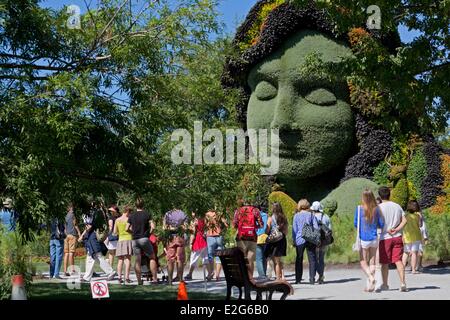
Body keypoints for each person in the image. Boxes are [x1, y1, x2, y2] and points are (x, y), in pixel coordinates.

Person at [377, 186, 408, 292]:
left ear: (380, 196)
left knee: (384, 263)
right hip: (397, 236)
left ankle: (385, 284)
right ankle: (403, 283)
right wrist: (396, 229)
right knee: (398, 260)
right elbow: (404, 221)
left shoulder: (379, 208)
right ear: (389, 194)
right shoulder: (397, 206)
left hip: (384, 237)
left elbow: (377, 224)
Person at [354, 190, 384, 292]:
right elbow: (381, 224)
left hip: (364, 239)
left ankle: (371, 279)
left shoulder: (359, 209)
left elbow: (355, 223)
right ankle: (370, 286)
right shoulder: (376, 209)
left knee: (363, 261)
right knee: (372, 262)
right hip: (374, 238)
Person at [79, 209, 116, 282]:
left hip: (92, 238)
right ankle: (87, 277)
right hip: (91, 238)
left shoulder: (91, 214)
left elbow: (89, 227)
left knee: (97, 256)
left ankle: (110, 272)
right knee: (91, 257)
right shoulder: (95, 214)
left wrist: (82, 236)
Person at [127, 198, 157, 285]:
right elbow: (153, 226)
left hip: (135, 240)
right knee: (152, 257)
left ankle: (139, 281)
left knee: (137, 260)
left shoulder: (131, 215)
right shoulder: (147, 214)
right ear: (143, 204)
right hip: (144, 239)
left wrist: (133, 232)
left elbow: (126, 228)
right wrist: (149, 233)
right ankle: (155, 279)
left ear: (135, 205)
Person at [233, 202, 263, 280]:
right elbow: (261, 225)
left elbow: (234, 225)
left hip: (241, 238)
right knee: (250, 259)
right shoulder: (255, 210)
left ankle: (243, 277)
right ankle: (250, 278)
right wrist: (253, 226)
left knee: (242, 258)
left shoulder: (238, 211)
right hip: (252, 238)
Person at [292, 199, 318, 285]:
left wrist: (294, 239)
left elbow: (294, 229)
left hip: (299, 238)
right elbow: (316, 227)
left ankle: (298, 279)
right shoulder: (311, 215)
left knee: (299, 259)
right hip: (310, 237)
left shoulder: (296, 216)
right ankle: (312, 279)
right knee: (312, 259)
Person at [184, 212, 212, 281]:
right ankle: (210, 273)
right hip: (203, 240)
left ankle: (190, 274)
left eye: (193, 212)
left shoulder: (194, 221)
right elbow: (207, 227)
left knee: (193, 258)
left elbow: (193, 233)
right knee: (205, 258)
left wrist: (191, 243)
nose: (192, 213)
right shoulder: (203, 219)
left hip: (197, 241)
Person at [163, 209, 188, 285]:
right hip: (180, 237)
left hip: (171, 237)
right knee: (180, 259)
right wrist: (179, 227)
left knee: (170, 259)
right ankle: (180, 280)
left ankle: (170, 281)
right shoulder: (183, 214)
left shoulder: (167, 214)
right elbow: (185, 227)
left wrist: (172, 228)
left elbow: (164, 227)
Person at [264, 202, 288, 280]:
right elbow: (286, 231)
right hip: (282, 240)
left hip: (274, 241)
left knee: (276, 262)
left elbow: (267, 231)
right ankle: (282, 276)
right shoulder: (284, 218)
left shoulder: (270, 219)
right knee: (279, 260)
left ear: (273, 209)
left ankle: (278, 278)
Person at [311, 201, 332, 284]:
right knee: (321, 259)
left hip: (314, 241)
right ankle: (321, 276)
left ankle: (319, 274)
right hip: (324, 241)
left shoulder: (312, 216)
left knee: (314, 259)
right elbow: (330, 229)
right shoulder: (326, 216)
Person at [205, 209, 228, 281]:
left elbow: (205, 225)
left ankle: (212, 273)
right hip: (219, 236)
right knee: (219, 256)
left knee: (210, 255)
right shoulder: (219, 213)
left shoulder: (207, 214)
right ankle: (217, 275)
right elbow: (226, 224)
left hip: (210, 236)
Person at [402, 200, 423, 274]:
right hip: (416, 236)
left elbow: (403, 225)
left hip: (407, 236)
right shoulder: (418, 215)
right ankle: (413, 270)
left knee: (406, 252)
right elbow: (420, 225)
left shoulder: (405, 215)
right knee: (414, 253)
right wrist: (420, 218)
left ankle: (402, 269)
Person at [113, 206, 133, 284]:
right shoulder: (129, 219)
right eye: (130, 212)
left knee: (120, 260)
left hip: (120, 240)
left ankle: (119, 277)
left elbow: (114, 232)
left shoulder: (117, 220)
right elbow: (131, 229)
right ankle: (127, 278)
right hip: (128, 239)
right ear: (127, 212)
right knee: (128, 259)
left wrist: (120, 232)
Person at [63, 204, 81, 276]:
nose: (73, 208)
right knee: (71, 253)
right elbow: (75, 225)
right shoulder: (72, 215)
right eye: (72, 207)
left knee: (66, 253)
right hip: (72, 235)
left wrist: (66, 234)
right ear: (70, 208)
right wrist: (79, 233)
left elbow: (64, 227)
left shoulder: (65, 216)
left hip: (66, 235)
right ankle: (72, 270)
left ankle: (65, 271)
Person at [256, 206, 269, 279]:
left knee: (258, 258)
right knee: (264, 257)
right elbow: (266, 227)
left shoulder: (254, 215)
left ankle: (262, 275)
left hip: (257, 238)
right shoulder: (265, 215)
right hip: (264, 237)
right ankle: (264, 273)